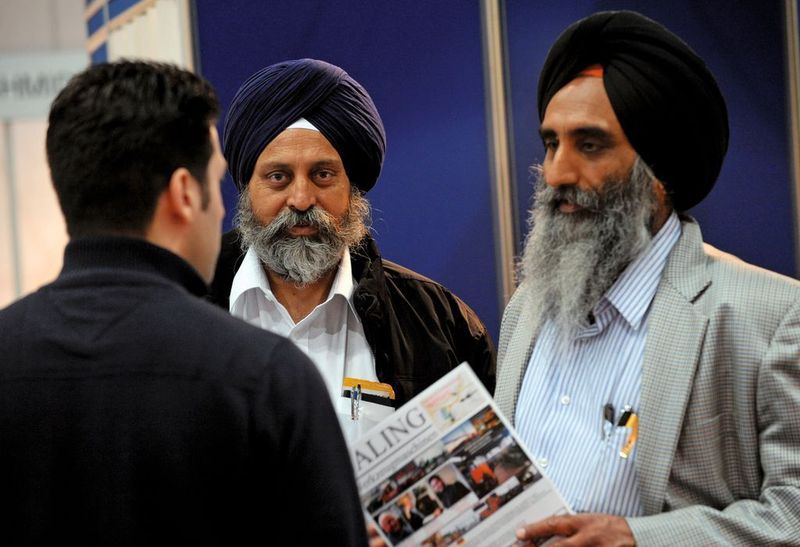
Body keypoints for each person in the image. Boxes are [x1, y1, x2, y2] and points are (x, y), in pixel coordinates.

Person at [0, 60, 366, 545]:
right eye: (216, 183)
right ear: (183, 195)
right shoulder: (266, 374)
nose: (221, 208)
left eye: (322, 174)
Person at [493, 10, 800, 546]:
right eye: (551, 143)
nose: (558, 173)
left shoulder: (771, 317)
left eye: (590, 145)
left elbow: (792, 513)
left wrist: (638, 540)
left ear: (658, 171)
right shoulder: (526, 309)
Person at [208, 58, 496, 439]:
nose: (301, 199)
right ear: (248, 189)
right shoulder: (188, 310)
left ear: (352, 189)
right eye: (278, 177)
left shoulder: (441, 326)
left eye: (322, 175)